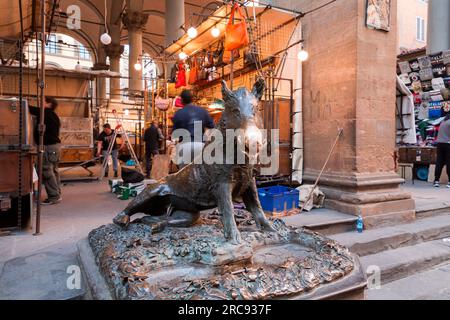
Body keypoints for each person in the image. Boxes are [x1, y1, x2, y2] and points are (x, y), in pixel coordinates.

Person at [29, 97, 62, 205]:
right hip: (55, 146)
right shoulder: (54, 115)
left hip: (48, 146)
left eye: (43, 101)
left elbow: (28, 108)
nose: (40, 103)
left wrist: (18, 101)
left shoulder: (45, 112)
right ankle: (57, 193)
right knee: (54, 171)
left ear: (49, 104)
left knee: (47, 171)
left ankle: (54, 196)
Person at [172, 89, 215, 168]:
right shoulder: (203, 111)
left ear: (181, 101)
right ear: (192, 99)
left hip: (185, 147)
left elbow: (175, 134)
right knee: (200, 174)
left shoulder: (178, 114)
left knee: (184, 175)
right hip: (200, 146)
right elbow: (212, 126)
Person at [433, 113, 450, 188]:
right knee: (449, 162)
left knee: (439, 162)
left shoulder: (443, 120)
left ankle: (436, 181)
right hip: (448, 144)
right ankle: (449, 182)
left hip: (439, 143)